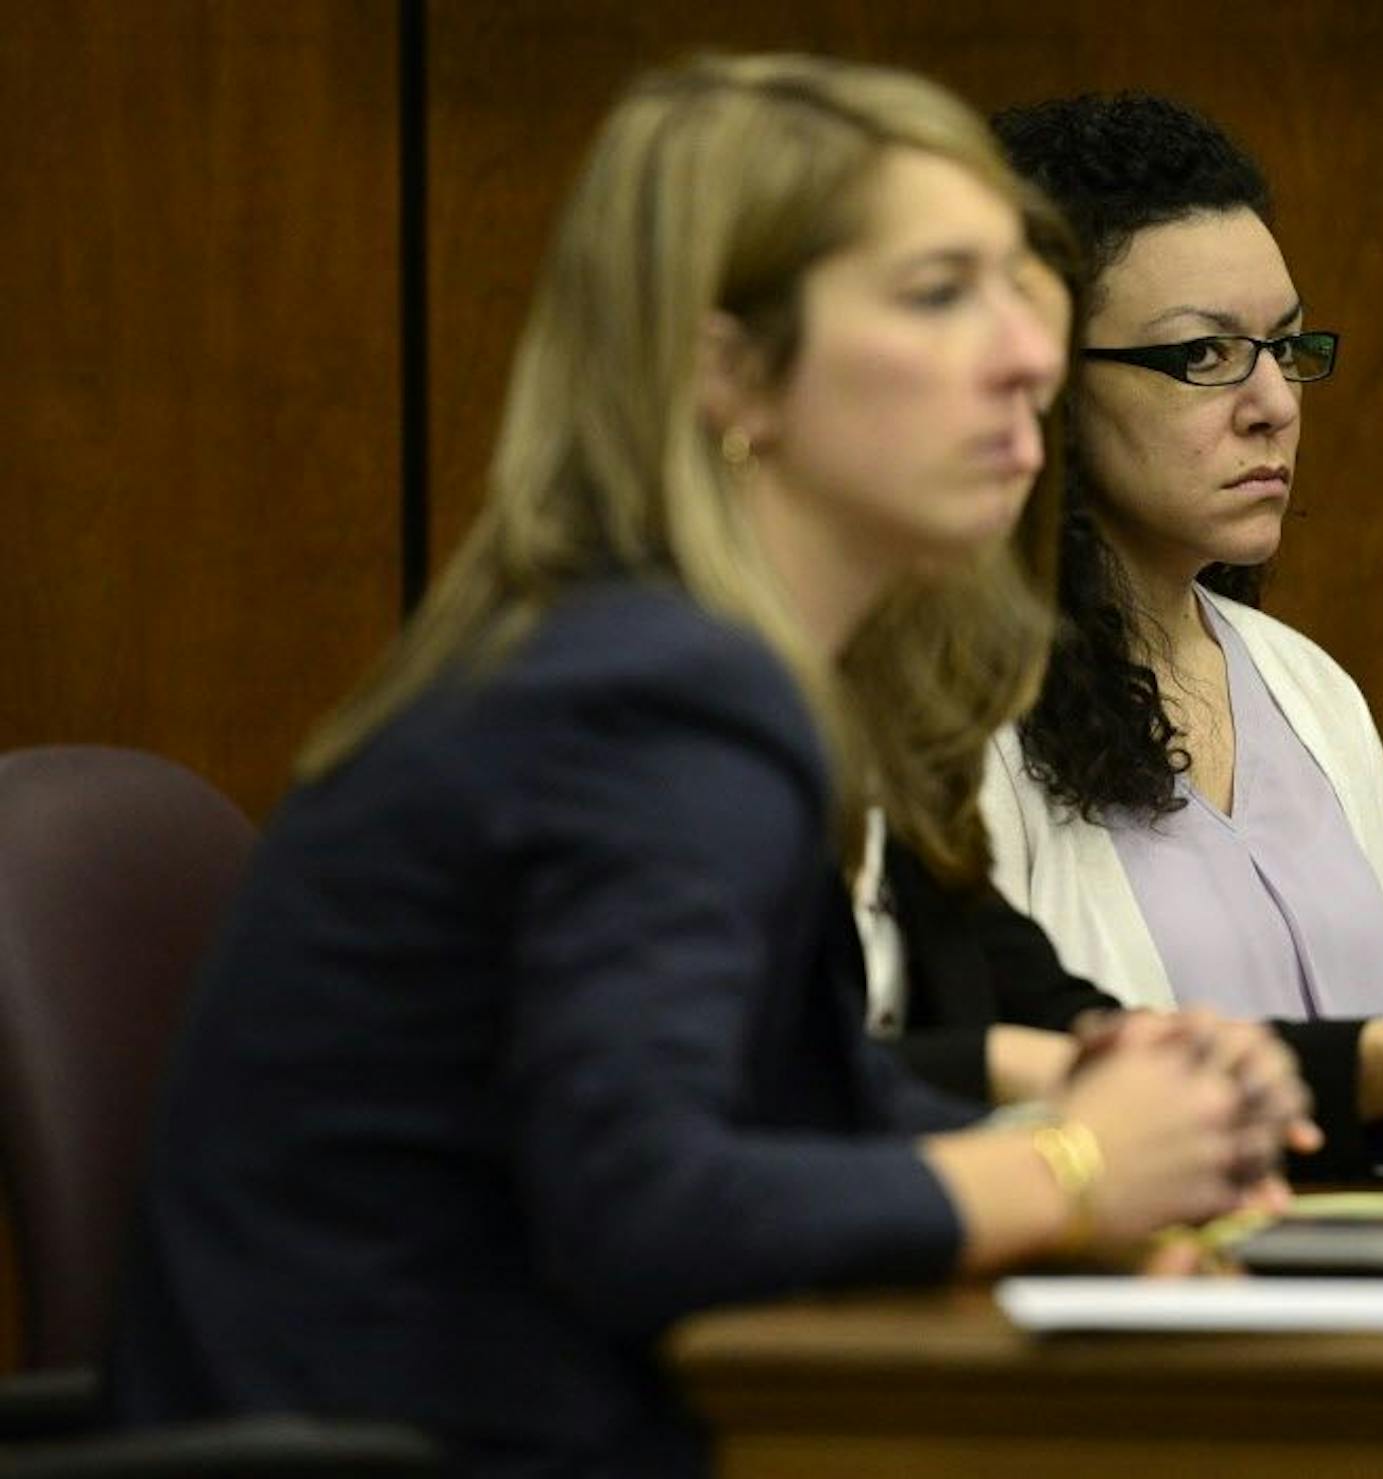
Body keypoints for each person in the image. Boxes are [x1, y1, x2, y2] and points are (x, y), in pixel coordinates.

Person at [107, 56, 1312, 1479]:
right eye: (938, 294)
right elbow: (646, 1206)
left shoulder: (660, 657)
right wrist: (1073, 1168)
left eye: (1018, 287)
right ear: (727, 369)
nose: (1027, 357)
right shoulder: (657, 700)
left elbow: (791, 1113)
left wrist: (1100, 1148)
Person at [890, 92, 1383, 1177]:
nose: (1275, 402)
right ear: (1042, 384)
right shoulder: (949, 712)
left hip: (1364, 1312)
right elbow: (998, 1102)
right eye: (1204, 357)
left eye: (1287, 348)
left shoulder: (1309, 689)